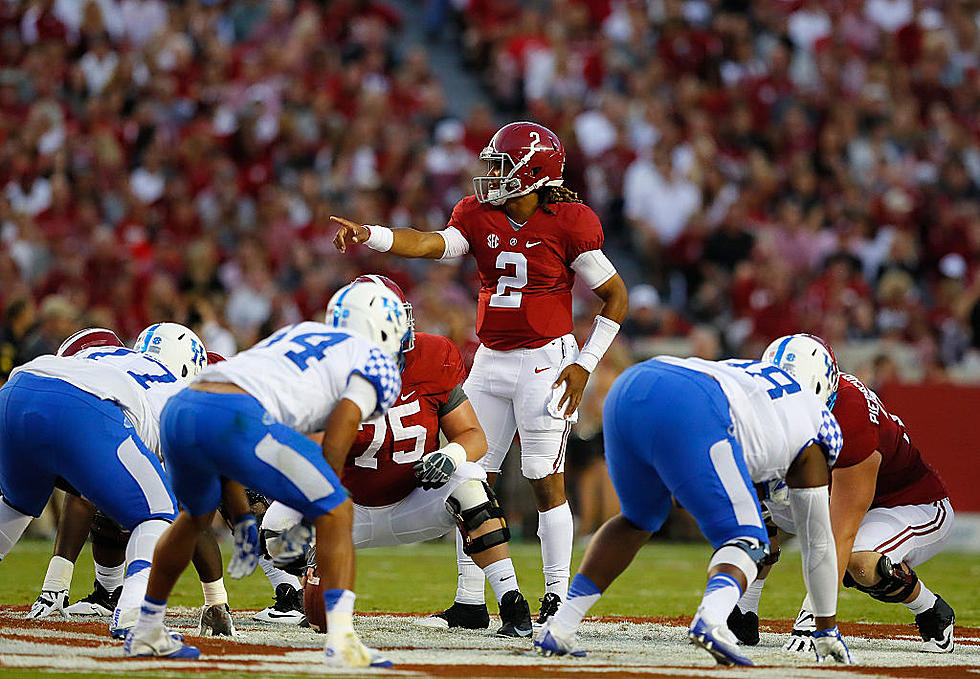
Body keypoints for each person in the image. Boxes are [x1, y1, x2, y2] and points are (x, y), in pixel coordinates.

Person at [332, 121, 629, 627]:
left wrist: (584, 364)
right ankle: (471, 600)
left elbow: (615, 297)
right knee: (469, 475)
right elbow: (430, 244)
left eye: (501, 164)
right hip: (490, 358)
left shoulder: (570, 222)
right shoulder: (477, 214)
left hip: (546, 361)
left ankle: (557, 597)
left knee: (543, 478)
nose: (491, 174)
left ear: (533, 170)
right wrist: (373, 236)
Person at [124, 279, 408, 668]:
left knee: (194, 517)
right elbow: (340, 429)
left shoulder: (300, 331)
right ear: (380, 325)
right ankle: (342, 642)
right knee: (338, 509)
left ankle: (147, 628)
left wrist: (244, 516)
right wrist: (317, 504)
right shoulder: (373, 359)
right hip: (236, 417)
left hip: (182, 408)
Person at [533, 356, 853, 666]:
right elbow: (819, 542)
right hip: (694, 409)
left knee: (638, 519)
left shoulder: (756, 380)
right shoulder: (817, 433)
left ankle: (560, 627)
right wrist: (826, 628)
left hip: (632, 386)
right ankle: (712, 617)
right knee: (750, 537)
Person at [261, 274, 534, 637]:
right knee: (273, 528)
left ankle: (513, 604)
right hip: (346, 510)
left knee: (469, 481)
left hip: (414, 503)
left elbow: (473, 436)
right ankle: (296, 596)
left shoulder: (434, 355)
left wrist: (450, 455)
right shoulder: (324, 374)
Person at [728, 334, 955, 653]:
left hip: (906, 502)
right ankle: (743, 611)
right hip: (831, 491)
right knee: (750, 498)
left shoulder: (852, 417)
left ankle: (930, 610)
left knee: (862, 564)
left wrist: (814, 620)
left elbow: (840, 533)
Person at [0, 322, 208, 638]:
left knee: (15, 506)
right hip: (84, 406)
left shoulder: (108, 352)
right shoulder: (180, 393)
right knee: (159, 512)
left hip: (19, 387)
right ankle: (134, 613)